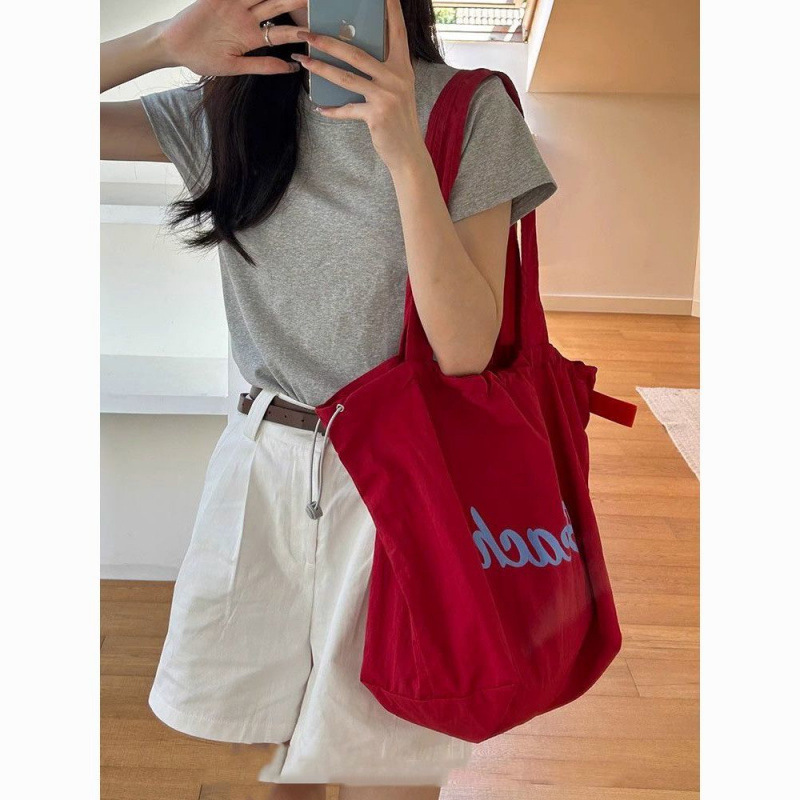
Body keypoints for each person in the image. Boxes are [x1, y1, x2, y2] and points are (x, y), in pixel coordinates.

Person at [100, 0, 557, 797]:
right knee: (283, 772)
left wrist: (404, 152)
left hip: (409, 484)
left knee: (389, 773)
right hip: (265, 470)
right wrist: (159, 44)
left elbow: (465, 351)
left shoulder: (469, 109)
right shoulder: (227, 114)